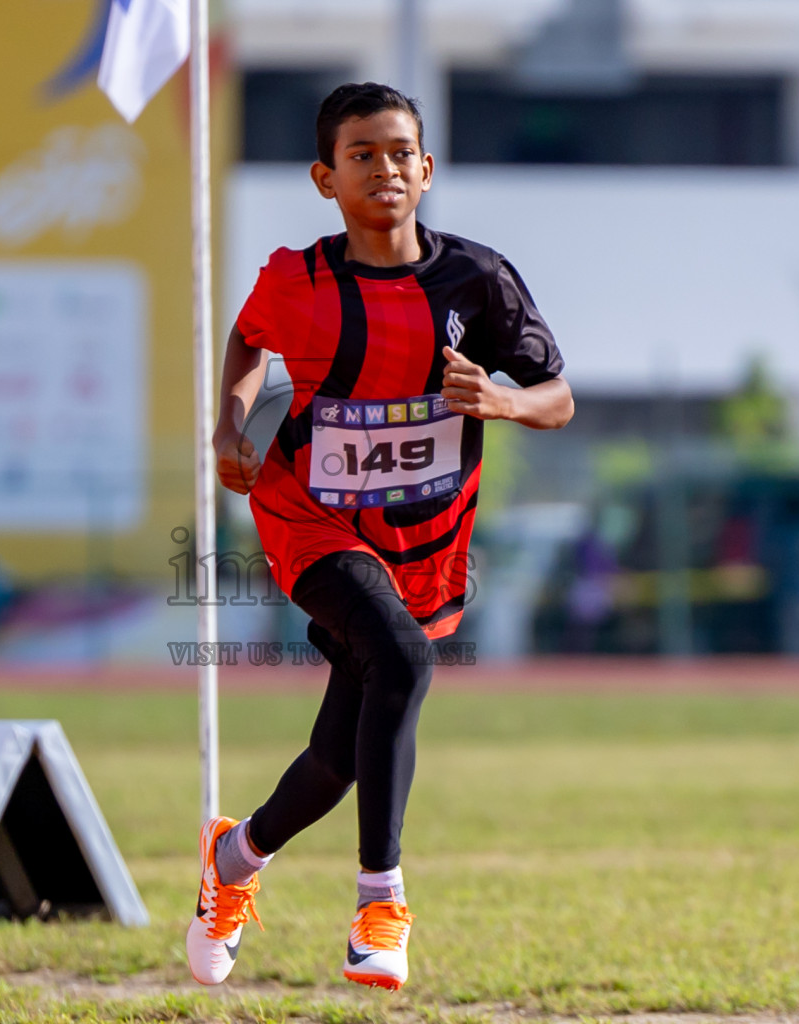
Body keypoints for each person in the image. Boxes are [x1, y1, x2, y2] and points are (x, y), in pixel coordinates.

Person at [188, 83, 573, 991]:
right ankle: (379, 902)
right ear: (326, 177)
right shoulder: (299, 281)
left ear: (427, 169)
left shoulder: (477, 280)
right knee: (403, 662)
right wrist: (227, 430)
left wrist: (502, 400)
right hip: (308, 519)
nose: (385, 168)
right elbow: (248, 346)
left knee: (338, 754)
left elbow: (557, 397)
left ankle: (233, 860)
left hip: (426, 545)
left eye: (401, 152)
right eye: (362, 154)